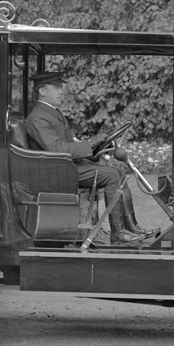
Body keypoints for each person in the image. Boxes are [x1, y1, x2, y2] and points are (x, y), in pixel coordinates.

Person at [25, 71, 157, 245]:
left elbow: (65, 145)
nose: (62, 91)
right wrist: (89, 144)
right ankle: (118, 234)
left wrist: (92, 150)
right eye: (57, 88)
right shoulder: (38, 117)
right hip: (57, 172)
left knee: (117, 173)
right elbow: (55, 149)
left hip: (65, 167)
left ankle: (132, 228)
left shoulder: (50, 113)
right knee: (112, 176)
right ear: (42, 91)